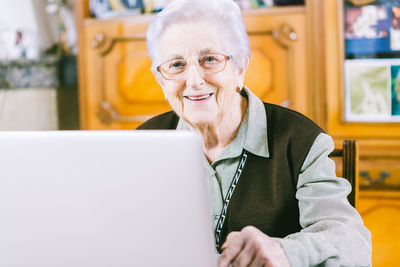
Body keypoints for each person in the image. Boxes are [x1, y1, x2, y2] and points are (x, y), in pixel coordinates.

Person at [137, 0, 372, 266]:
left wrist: (284, 252)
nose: (193, 80)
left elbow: (353, 244)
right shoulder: (142, 145)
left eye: (210, 59)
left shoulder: (300, 142)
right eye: (176, 65)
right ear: (160, 78)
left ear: (240, 68)